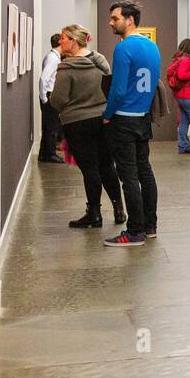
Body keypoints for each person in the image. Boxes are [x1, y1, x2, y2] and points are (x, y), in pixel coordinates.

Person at [49, 25, 126, 229]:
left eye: (64, 38)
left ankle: (94, 214)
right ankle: (119, 210)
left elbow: (58, 100)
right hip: (102, 120)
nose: (61, 41)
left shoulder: (65, 69)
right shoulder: (99, 61)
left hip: (77, 124)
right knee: (107, 165)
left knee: (90, 169)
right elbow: (109, 83)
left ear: (74, 41)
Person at [102, 0, 161, 246]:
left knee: (129, 177)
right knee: (145, 171)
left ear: (130, 19)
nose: (111, 23)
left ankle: (134, 231)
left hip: (124, 119)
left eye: (115, 18)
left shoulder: (124, 48)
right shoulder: (152, 47)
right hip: (143, 117)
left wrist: (107, 114)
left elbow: (117, 90)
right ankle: (149, 226)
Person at [38, 33, 64, 163]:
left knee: (50, 125)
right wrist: (44, 98)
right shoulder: (53, 58)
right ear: (60, 42)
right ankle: (50, 154)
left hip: (49, 94)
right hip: (49, 95)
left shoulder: (54, 57)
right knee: (51, 126)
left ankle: (45, 153)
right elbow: (44, 78)